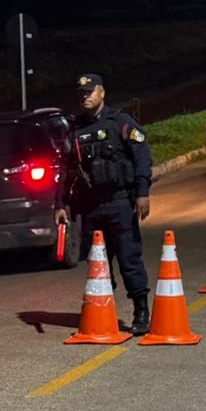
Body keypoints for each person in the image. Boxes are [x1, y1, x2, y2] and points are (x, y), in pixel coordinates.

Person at [54, 75, 153, 335]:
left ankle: (141, 311)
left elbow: (141, 155)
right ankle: (103, 312)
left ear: (102, 92)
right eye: (81, 93)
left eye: (89, 92)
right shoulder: (75, 130)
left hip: (120, 202)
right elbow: (66, 170)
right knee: (97, 263)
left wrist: (142, 192)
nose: (85, 96)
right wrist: (61, 203)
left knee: (129, 259)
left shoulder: (120, 122)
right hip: (90, 208)